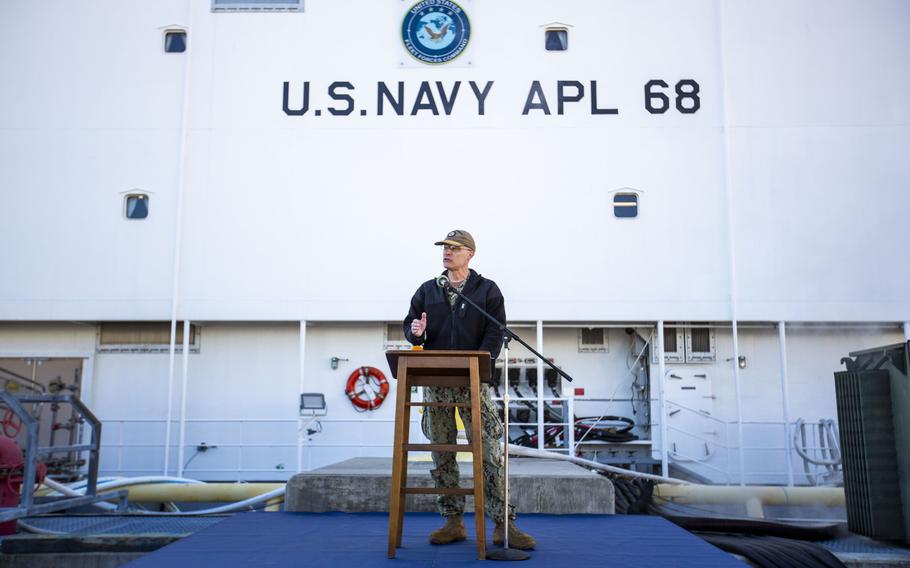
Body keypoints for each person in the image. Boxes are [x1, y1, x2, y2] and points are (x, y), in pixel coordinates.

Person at [403, 229, 536, 550]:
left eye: (454, 248)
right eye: (444, 248)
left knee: (490, 451)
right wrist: (415, 333)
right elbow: (411, 326)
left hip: (473, 382)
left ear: (470, 254)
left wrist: (483, 361)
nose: (447, 252)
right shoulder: (428, 290)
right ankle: (453, 521)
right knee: (441, 452)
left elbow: (496, 332)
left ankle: (504, 524)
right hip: (435, 384)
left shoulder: (486, 290)